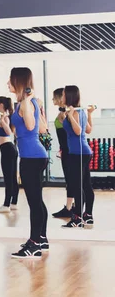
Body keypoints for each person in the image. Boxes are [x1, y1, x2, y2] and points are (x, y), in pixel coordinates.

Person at [8, 68, 49, 259]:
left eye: (9, 80)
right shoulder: (24, 103)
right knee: (36, 200)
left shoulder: (26, 102)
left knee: (34, 201)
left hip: (32, 157)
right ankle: (41, 239)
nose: (7, 83)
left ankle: (34, 243)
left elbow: (33, 127)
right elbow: (42, 128)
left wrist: (27, 102)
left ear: (18, 82)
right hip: (33, 155)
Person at [61, 85, 94, 228]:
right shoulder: (81, 112)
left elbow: (79, 130)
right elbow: (89, 129)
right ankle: (88, 216)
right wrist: (90, 114)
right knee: (86, 185)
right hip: (84, 152)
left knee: (77, 185)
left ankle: (78, 218)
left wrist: (70, 116)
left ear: (68, 96)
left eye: (63, 94)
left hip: (78, 153)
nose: (61, 97)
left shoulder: (75, 112)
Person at [0, 96, 19, 213]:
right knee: (12, 177)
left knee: (9, 178)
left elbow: (9, 132)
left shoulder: (5, 118)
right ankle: (13, 203)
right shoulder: (5, 117)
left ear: (1, 105)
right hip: (8, 149)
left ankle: (6, 204)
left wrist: (3, 121)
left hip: (7, 149)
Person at [51, 88, 75, 218]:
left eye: (54, 97)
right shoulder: (62, 114)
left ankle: (69, 207)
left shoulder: (66, 114)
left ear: (60, 98)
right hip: (65, 149)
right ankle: (70, 206)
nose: (52, 100)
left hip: (69, 151)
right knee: (69, 179)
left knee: (70, 179)